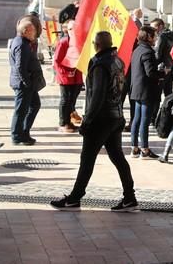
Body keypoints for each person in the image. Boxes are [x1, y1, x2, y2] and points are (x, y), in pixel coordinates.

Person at [50, 31, 137, 212]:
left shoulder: (100, 65)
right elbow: (121, 89)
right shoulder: (118, 61)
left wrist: (87, 120)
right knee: (118, 157)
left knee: (87, 158)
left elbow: (97, 95)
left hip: (100, 119)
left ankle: (75, 197)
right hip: (115, 116)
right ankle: (129, 196)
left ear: (96, 45)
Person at [129, 25, 165, 159]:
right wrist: (163, 73)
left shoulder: (138, 49)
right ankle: (144, 149)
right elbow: (151, 72)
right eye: (154, 36)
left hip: (137, 89)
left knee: (136, 119)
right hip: (146, 90)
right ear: (149, 37)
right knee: (144, 120)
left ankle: (134, 148)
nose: (156, 38)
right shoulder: (147, 52)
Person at [10, 16, 44, 145]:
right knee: (21, 110)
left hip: (28, 84)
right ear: (26, 31)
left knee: (35, 105)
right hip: (23, 84)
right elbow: (20, 67)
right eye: (33, 31)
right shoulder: (21, 45)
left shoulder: (23, 42)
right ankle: (17, 136)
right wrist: (27, 83)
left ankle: (24, 132)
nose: (35, 34)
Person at [53, 20, 83, 133]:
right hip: (66, 77)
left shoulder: (79, 42)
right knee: (65, 100)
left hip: (77, 76)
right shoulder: (64, 42)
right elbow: (57, 60)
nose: (73, 32)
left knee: (72, 100)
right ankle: (63, 122)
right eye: (71, 29)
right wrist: (65, 72)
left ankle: (69, 120)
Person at [151, 18, 173, 98]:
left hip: (162, 67)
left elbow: (158, 54)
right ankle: (167, 109)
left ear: (160, 26)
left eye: (154, 27)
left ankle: (159, 110)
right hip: (170, 66)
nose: (153, 30)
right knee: (168, 92)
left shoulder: (161, 36)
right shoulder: (172, 36)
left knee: (157, 92)